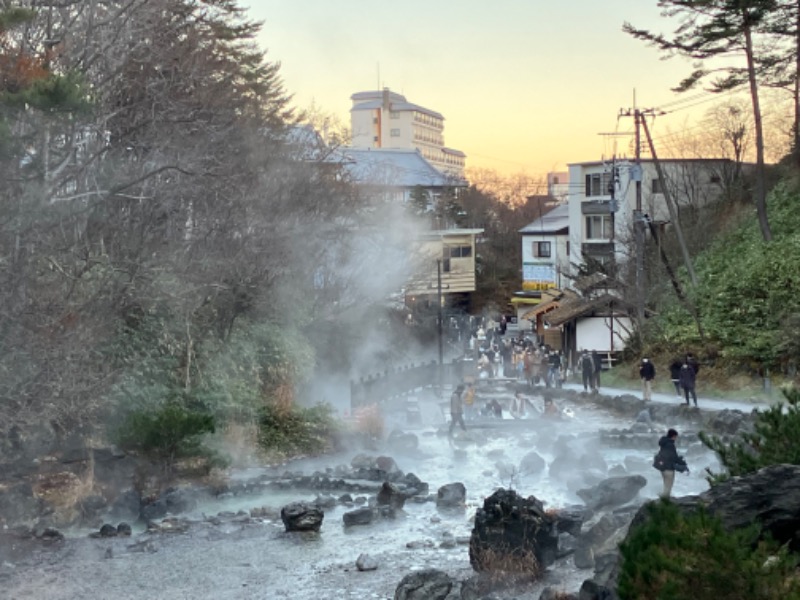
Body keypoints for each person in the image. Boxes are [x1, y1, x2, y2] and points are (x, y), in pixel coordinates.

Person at [653, 428, 689, 498]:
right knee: (668, 487)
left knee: (666, 486)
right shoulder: (670, 445)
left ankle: (663, 501)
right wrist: (683, 463)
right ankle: (665, 503)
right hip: (669, 468)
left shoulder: (664, 443)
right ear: (673, 436)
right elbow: (673, 457)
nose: (676, 439)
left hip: (663, 468)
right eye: (676, 437)